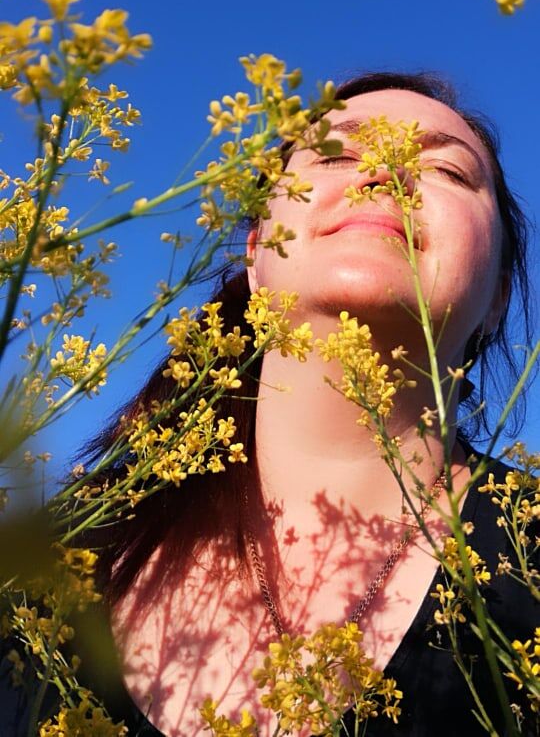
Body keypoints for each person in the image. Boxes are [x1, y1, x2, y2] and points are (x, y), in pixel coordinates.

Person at [1, 71, 538, 737]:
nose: (385, 172)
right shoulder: (45, 567)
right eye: (338, 153)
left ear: (498, 295)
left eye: (446, 170)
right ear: (256, 252)